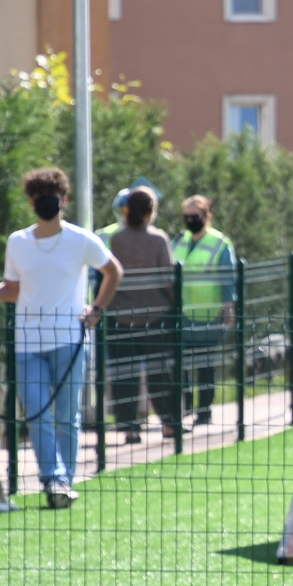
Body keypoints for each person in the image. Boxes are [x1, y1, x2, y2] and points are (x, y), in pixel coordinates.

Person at [0, 168, 122, 509]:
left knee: (66, 415)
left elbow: (113, 270)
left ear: (64, 200)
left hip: (70, 342)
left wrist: (97, 310)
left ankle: (63, 481)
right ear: (32, 202)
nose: (47, 202)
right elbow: (11, 290)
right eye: (40, 197)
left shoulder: (81, 240)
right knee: (35, 413)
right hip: (28, 343)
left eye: (54, 196)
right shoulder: (18, 242)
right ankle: (53, 479)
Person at [106, 188, 181, 443]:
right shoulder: (159, 239)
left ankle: (129, 428)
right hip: (155, 316)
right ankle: (170, 425)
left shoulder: (117, 239)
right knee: (160, 374)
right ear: (150, 212)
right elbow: (168, 278)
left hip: (120, 316)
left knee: (123, 376)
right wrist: (173, 303)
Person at [172, 195, 237, 427]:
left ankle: (204, 410)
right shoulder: (179, 240)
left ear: (207, 216)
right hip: (182, 314)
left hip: (209, 314)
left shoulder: (220, 244)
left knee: (205, 366)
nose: (190, 220)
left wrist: (229, 311)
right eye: (186, 216)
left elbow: (228, 281)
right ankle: (186, 406)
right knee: (181, 365)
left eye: (195, 216)